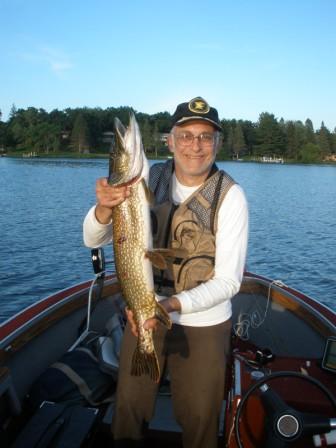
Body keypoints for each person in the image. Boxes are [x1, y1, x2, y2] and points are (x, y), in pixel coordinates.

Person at [83, 96, 248, 448]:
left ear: (217, 143)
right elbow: (91, 238)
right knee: (127, 409)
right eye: (186, 135)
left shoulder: (230, 196)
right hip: (142, 314)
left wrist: (168, 306)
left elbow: (229, 281)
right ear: (170, 141)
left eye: (205, 136)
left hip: (203, 322)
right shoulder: (145, 180)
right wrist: (102, 209)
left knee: (201, 420)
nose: (195, 145)